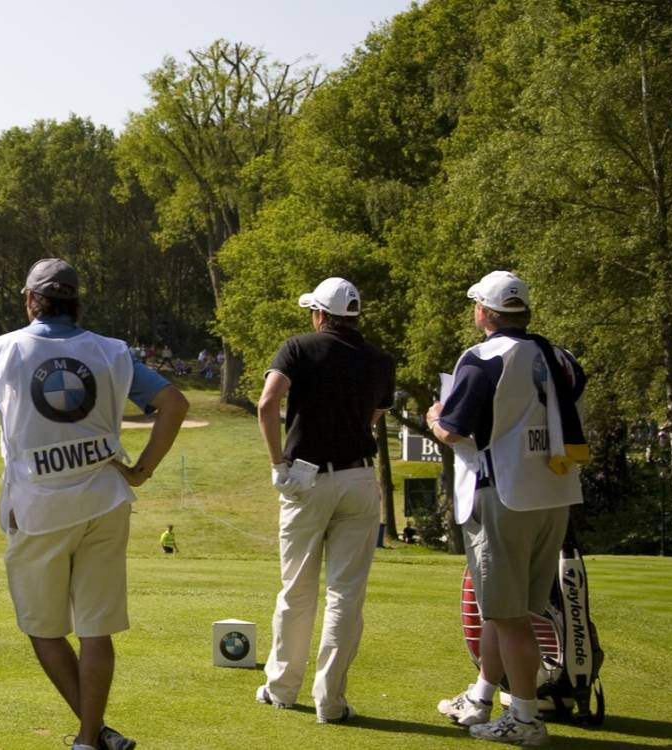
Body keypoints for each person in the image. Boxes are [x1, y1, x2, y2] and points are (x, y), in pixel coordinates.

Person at [0, 258, 188, 750]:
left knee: (44, 630)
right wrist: (142, 470)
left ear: (30, 300)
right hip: (106, 501)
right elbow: (175, 403)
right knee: (96, 630)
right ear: (76, 303)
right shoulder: (112, 352)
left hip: (38, 511)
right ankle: (92, 737)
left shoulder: (4, 352)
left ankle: (92, 736)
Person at [427, 271, 588, 746]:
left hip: (501, 492)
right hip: (553, 491)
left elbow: (453, 431)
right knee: (506, 609)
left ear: (485, 312)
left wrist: (434, 416)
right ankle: (480, 697)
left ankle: (523, 717)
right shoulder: (558, 356)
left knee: (510, 614)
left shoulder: (482, 358)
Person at [252, 277, 396, 724]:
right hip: (358, 478)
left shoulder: (298, 347)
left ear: (319, 314)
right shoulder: (380, 361)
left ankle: (282, 688)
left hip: (305, 477)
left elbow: (266, 404)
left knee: (297, 590)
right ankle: (330, 702)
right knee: (345, 596)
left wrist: (278, 464)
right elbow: (373, 418)